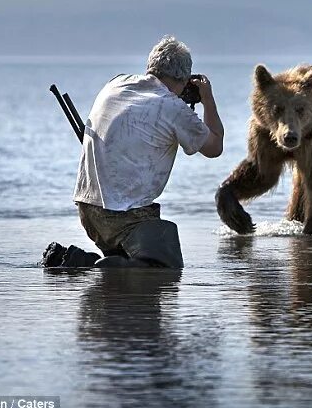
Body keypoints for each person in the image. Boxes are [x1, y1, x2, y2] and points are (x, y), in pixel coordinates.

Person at [68, 35, 223, 269]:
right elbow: (215, 147)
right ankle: (92, 266)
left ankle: (88, 263)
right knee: (164, 267)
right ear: (183, 78)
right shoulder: (172, 106)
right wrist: (208, 100)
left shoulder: (116, 84)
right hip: (123, 216)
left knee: (128, 292)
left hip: (87, 210)